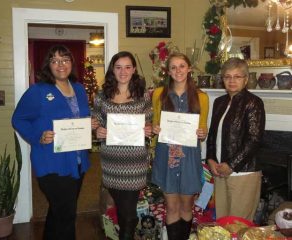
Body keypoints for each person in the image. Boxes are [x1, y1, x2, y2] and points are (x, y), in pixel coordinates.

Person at [12, 45, 98, 240]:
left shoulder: (79, 89)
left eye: (65, 59)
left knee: (58, 212)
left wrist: (89, 123)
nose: (61, 64)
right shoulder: (39, 91)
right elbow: (18, 118)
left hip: (77, 163)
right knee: (66, 216)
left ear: (72, 63)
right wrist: (38, 136)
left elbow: (79, 116)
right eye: (55, 60)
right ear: (48, 65)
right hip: (52, 163)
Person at [94, 51, 152, 240]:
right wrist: (97, 131)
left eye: (128, 67)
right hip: (111, 163)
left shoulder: (143, 96)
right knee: (121, 209)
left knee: (128, 213)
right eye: (118, 67)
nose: (123, 71)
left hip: (134, 164)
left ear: (134, 69)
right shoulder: (102, 96)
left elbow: (149, 123)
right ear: (113, 69)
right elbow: (95, 119)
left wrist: (148, 130)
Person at [151, 52, 209, 240]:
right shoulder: (159, 94)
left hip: (190, 158)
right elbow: (155, 123)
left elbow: (203, 128)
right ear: (168, 71)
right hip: (166, 156)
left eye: (182, 66)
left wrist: (202, 133)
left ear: (189, 68)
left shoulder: (202, 97)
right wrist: (155, 128)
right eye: (173, 67)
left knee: (186, 206)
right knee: (172, 207)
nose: (178, 70)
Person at [206, 57, 265, 221]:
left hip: (243, 173)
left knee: (239, 225)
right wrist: (210, 158)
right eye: (227, 76)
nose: (232, 81)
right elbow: (212, 134)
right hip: (219, 171)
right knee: (222, 223)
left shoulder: (253, 103)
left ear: (245, 79)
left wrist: (231, 165)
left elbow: (254, 139)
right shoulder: (219, 102)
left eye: (237, 76)